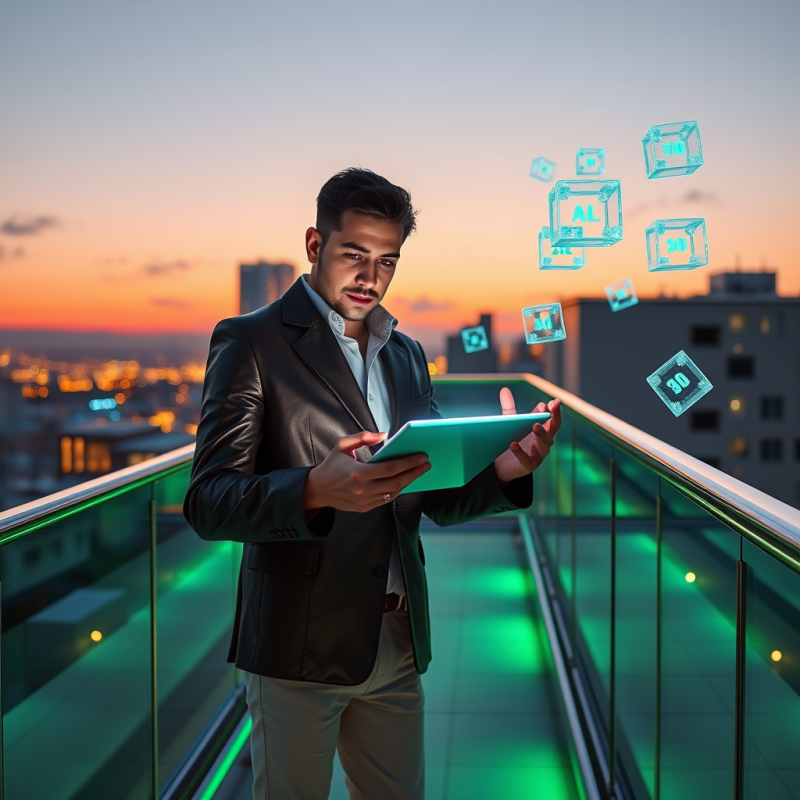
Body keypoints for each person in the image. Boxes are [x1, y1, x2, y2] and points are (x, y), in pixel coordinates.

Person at [183, 167, 562, 800]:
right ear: (314, 245)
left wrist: (505, 469)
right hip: (297, 648)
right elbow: (207, 501)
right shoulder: (250, 342)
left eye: (387, 261)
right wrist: (312, 490)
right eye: (354, 255)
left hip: (396, 639)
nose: (370, 278)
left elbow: (432, 492)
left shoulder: (407, 353)